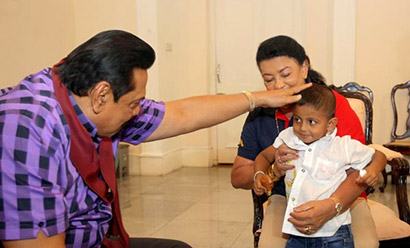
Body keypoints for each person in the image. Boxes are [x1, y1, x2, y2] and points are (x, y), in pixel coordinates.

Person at [0, 30, 310, 248]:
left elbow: (182, 115)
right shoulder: (27, 130)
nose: (138, 112)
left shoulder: (78, 94)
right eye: (135, 103)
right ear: (102, 95)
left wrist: (258, 98)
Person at [231, 35, 379, 248]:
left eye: (286, 74)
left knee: (365, 244)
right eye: (269, 79)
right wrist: (272, 171)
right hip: (288, 199)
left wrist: (333, 206)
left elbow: (359, 168)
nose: (278, 85)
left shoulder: (331, 106)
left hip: (346, 199)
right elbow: (238, 177)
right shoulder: (261, 114)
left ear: (304, 68)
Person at [253, 84, 386, 248]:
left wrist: (373, 169)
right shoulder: (288, 137)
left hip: (334, 234)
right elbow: (263, 156)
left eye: (312, 122)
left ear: (330, 124)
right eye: (297, 119)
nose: (302, 128)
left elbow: (379, 155)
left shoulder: (342, 146)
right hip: (295, 232)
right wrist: (259, 174)